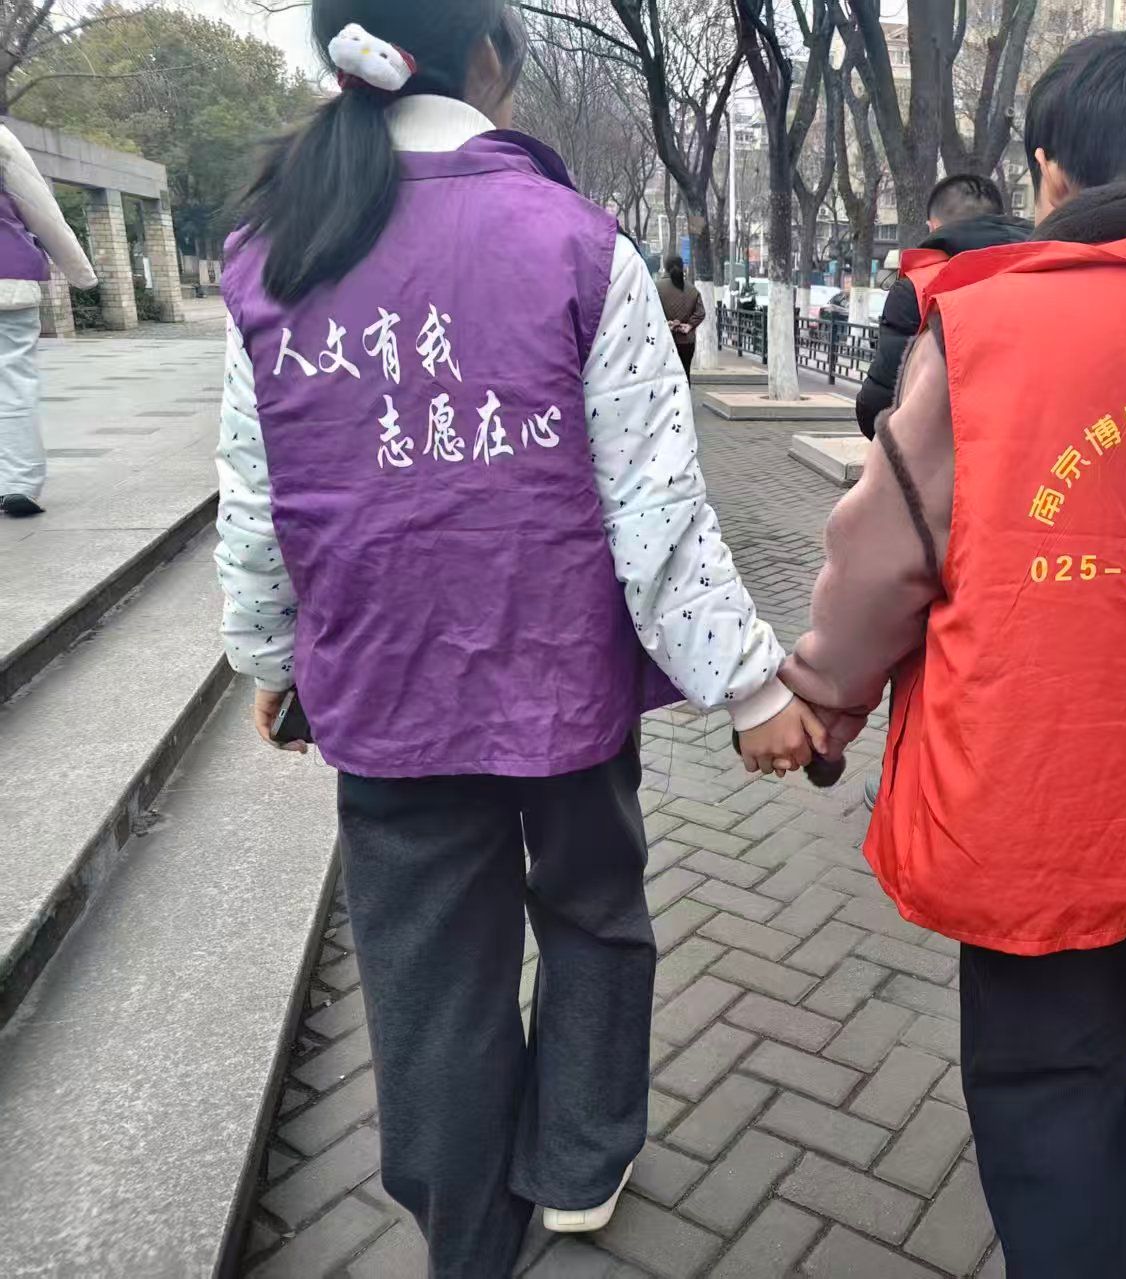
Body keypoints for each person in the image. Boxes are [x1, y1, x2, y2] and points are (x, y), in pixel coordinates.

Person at [215, 4, 822, 1273]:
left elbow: (257, 496)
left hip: (383, 690)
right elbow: (654, 507)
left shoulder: (275, 253)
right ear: (490, 53)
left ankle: (464, 1229)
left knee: (428, 978)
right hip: (562, 688)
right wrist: (751, 686)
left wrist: (270, 659)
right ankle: (580, 1160)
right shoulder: (575, 242)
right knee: (594, 911)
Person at [781, 32, 1126, 1278]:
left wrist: (822, 697)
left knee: (1041, 1088)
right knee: (1082, 1049)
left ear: (1046, 170)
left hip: (1030, 808)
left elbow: (882, 558)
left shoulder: (982, 329)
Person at [853, 173, 1029, 439]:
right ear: (999, 217)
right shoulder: (1045, 271)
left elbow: (880, 403)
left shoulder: (919, 288)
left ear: (933, 226)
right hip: (1036, 449)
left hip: (951, 453)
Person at [0, 124, 98, 517]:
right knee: (12, 382)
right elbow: (41, 209)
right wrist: (81, 273)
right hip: (8, 278)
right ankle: (18, 481)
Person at [656, 253, 704, 381]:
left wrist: (666, 324)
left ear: (665, 267)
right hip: (687, 341)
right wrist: (689, 325)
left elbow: (649, 311)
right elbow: (701, 312)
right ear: (682, 267)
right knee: (684, 375)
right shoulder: (692, 289)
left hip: (664, 340)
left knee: (665, 378)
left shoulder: (656, 287)